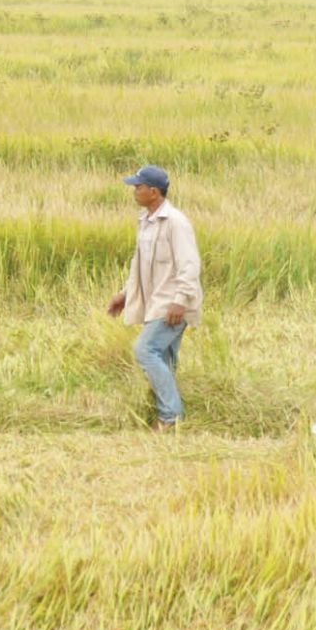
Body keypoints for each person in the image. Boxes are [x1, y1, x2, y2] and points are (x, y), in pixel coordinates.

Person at [106, 165, 203, 431]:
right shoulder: (145, 221)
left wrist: (180, 301)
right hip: (156, 302)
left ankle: (170, 416)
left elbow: (190, 265)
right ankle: (167, 413)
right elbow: (140, 263)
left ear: (154, 191)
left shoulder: (176, 223)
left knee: (145, 349)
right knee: (165, 357)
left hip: (171, 304)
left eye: (138, 187)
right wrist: (126, 294)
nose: (134, 191)